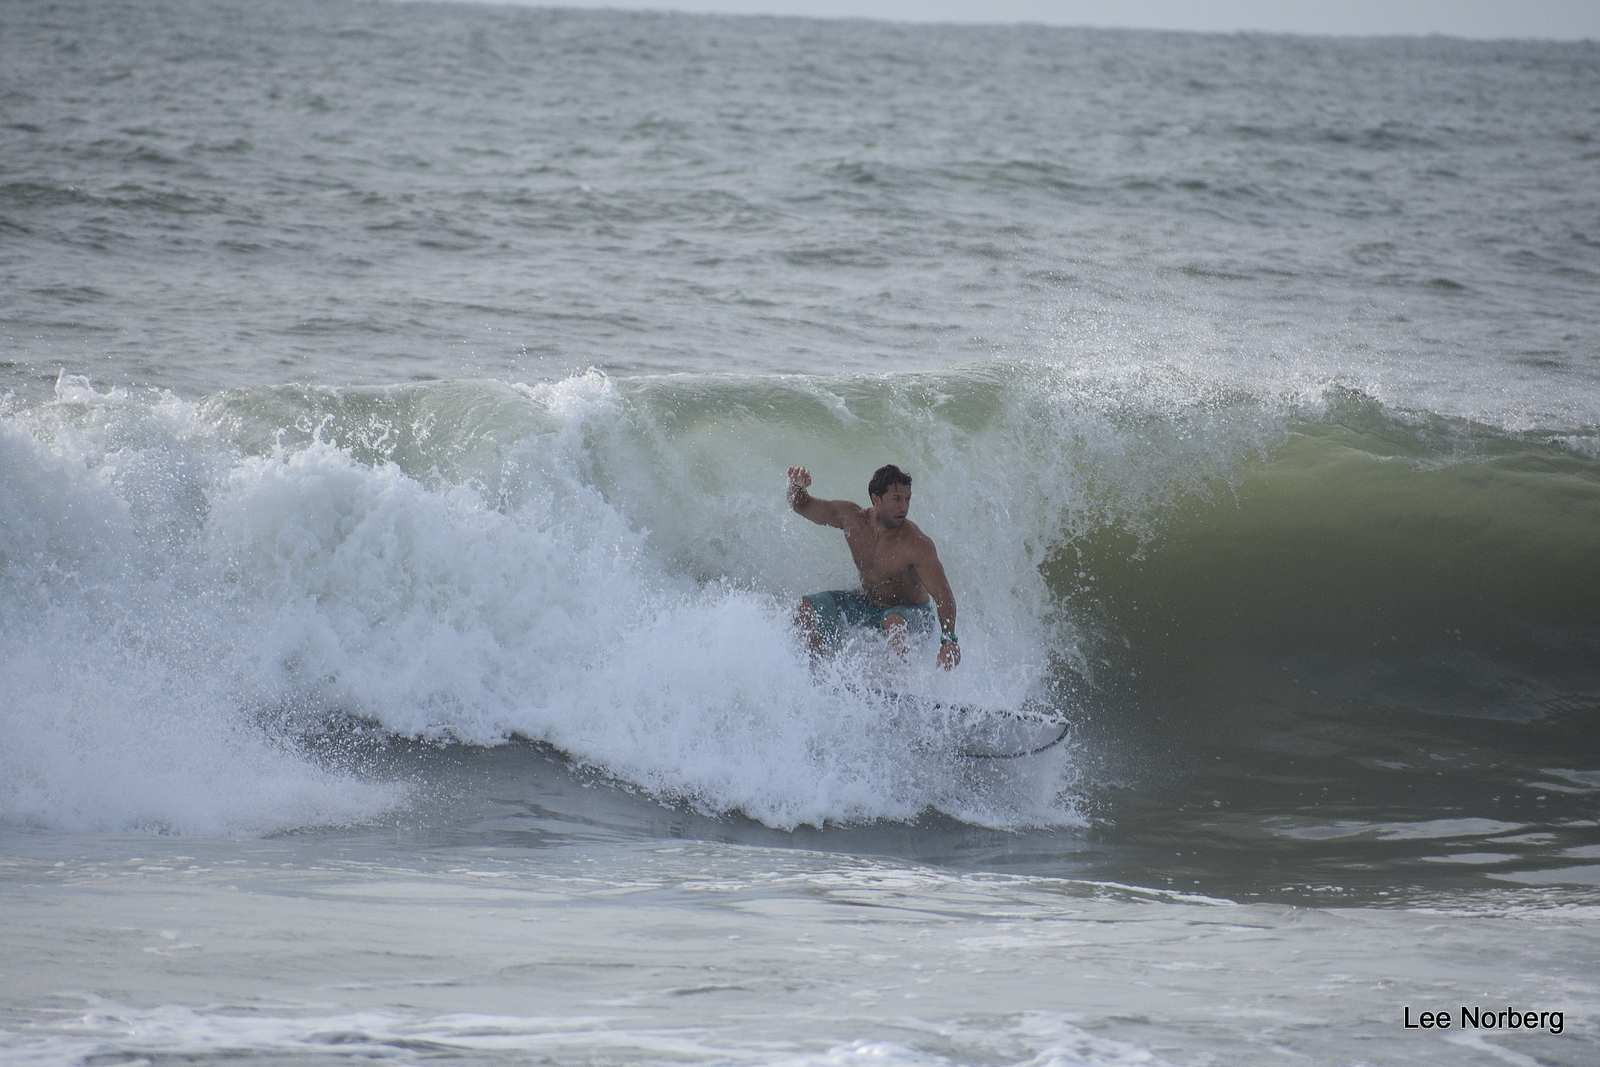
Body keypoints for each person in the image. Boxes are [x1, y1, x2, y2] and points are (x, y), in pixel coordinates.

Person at [786, 463, 960, 670]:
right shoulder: (853, 520)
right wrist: (797, 487)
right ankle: (815, 673)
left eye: (907, 499)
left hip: (913, 615)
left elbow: (943, 595)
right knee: (806, 608)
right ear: (876, 499)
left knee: (894, 623)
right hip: (869, 606)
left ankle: (900, 685)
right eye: (896, 499)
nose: (903, 507)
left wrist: (949, 639)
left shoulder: (916, 543)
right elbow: (802, 506)